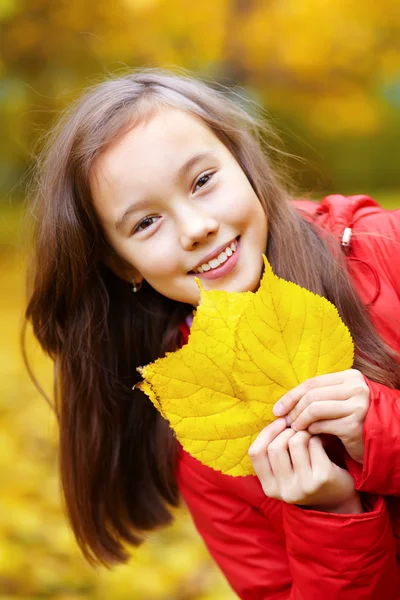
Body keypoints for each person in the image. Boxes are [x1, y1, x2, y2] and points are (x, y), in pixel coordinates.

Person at [25, 69, 400, 599]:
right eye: (145, 223)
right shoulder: (202, 436)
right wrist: (330, 515)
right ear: (123, 265)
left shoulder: (387, 254)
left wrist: (384, 432)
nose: (195, 226)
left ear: (242, 163)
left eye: (202, 181)